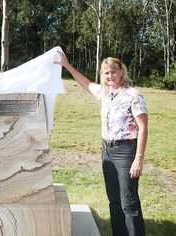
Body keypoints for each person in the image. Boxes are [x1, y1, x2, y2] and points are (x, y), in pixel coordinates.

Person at [56, 52, 148, 236]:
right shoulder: (105, 93)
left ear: (121, 72)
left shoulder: (133, 95)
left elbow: (143, 128)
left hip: (126, 151)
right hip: (107, 151)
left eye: (113, 72)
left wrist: (138, 159)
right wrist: (66, 65)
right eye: (106, 73)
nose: (110, 76)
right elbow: (85, 83)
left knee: (128, 202)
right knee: (114, 200)